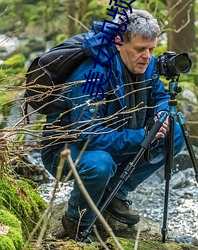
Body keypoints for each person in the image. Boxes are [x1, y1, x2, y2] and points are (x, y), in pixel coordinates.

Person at [41, 9, 185, 241]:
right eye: (140, 49)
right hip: (67, 150)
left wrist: (161, 114)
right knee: (100, 164)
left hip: (117, 136)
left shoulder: (146, 64)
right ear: (119, 42)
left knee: (175, 132)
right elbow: (87, 135)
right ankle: (76, 221)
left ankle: (115, 193)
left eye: (152, 49)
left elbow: (159, 96)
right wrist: (142, 135)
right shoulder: (92, 75)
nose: (147, 56)